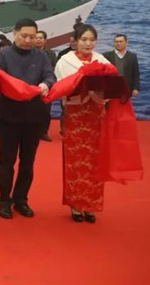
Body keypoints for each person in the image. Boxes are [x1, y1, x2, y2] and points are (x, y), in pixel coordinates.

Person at [0, 18, 56, 219]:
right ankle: (4, 200)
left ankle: (21, 199)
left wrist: (46, 84)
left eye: (33, 37)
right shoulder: (2, 55)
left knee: (28, 162)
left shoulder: (41, 55)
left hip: (34, 115)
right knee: (7, 161)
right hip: (9, 116)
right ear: (14, 33)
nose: (28, 40)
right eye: (24, 36)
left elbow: (50, 75)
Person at [55, 24, 111, 223]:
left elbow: (111, 87)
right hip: (76, 115)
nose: (88, 44)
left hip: (96, 115)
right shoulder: (65, 61)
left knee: (95, 160)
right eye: (84, 39)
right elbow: (62, 87)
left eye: (92, 40)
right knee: (76, 159)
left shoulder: (102, 60)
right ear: (75, 41)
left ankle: (91, 204)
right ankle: (76, 204)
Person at [35, 31, 57, 142]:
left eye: (40, 38)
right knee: (32, 110)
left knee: (45, 110)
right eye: (36, 38)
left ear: (45, 40)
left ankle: (43, 132)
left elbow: (54, 68)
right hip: (32, 85)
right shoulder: (30, 52)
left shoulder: (51, 53)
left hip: (47, 85)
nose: (38, 40)